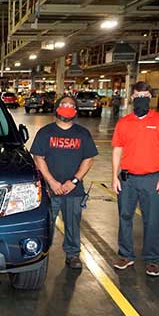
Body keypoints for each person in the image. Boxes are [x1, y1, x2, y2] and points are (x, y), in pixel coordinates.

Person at [111, 81, 159, 276]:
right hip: (128, 179)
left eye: (145, 96)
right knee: (125, 217)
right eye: (138, 97)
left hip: (151, 179)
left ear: (150, 98)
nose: (141, 100)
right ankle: (126, 255)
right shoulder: (123, 122)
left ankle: (152, 260)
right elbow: (117, 150)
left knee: (152, 220)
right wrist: (114, 176)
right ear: (131, 98)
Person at [31, 96, 98, 269]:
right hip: (49, 189)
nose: (67, 107)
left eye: (71, 105)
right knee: (46, 224)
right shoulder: (45, 132)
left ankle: (73, 254)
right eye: (63, 104)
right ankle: (40, 254)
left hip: (73, 190)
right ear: (57, 108)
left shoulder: (82, 134)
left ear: (75, 110)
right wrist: (52, 182)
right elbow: (38, 158)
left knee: (73, 224)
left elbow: (89, 159)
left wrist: (74, 181)